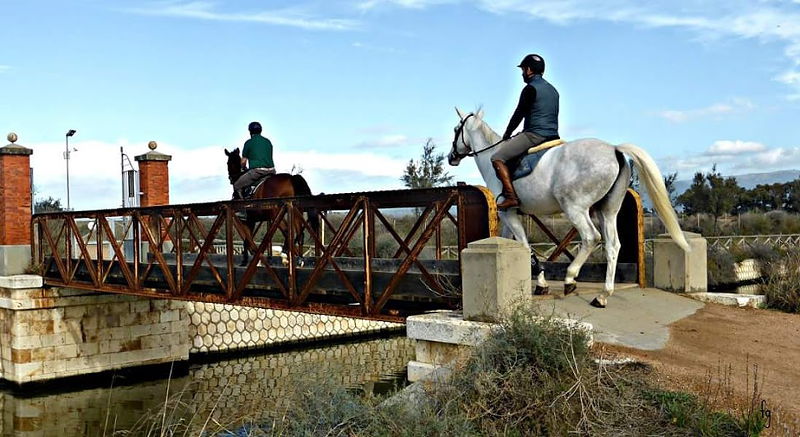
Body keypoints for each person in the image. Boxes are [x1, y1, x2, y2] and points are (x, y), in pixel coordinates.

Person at [491, 54, 560, 210]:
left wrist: (507, 134)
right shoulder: (554, 90)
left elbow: (519, 114)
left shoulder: (530, 89)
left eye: (523, 69)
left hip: (534, 135)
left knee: (497, 157)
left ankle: (511, 197)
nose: (522, 73)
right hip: (553, 136)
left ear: (529, 70)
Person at [233, 121, 276, 199]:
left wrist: (243, 168)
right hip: (272, 171)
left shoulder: (248, 143)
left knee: (237, 185)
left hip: (257, 172)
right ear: (260, 130)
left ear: (250, 131)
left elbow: (243, 162)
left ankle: (242, 208)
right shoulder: (268, 141)